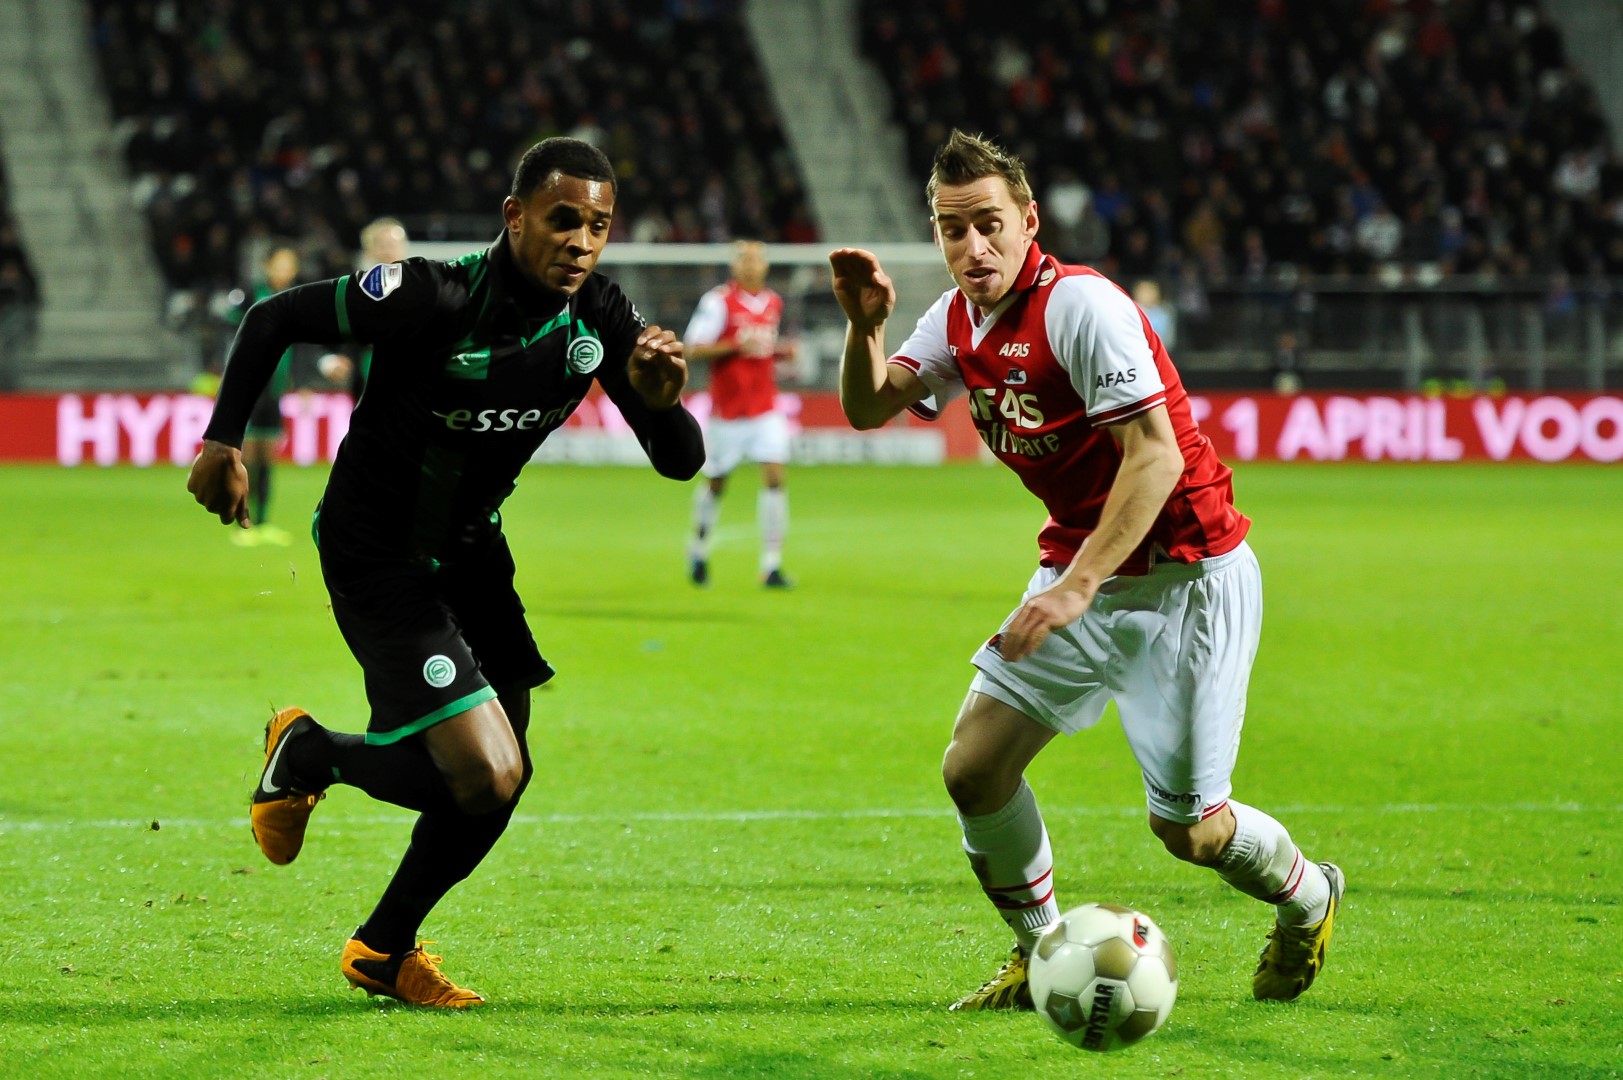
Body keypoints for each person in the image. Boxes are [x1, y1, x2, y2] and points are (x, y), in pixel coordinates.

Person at [829, 130, 1343, 1011]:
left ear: (1028, 221)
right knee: (973, 769)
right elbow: (869, 406)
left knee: (1190, 830)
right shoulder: (953, 319)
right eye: (952, 230)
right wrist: (864, 327)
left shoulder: (1081, 307)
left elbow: (1155, 458)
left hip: (1186, 578)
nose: (972, 247)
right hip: (1083, 568)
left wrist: (1075, 586)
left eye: (988, 224)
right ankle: (1042, 957)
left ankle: (1307, 898)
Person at [187, 138, 703, 1007]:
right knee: (488, 774)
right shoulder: (433, 294)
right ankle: (315, 755)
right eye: (563, 220)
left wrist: (662, 401)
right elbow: (272, 318)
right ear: (515, 216)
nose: (581, 241)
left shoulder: (599, 316)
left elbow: (679, 460)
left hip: (471, 553)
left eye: (598, 226)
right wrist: (222, 440)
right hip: (375, 550)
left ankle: (382, 949)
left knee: (504, 774)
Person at [682, 240, 796, 588]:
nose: (750, 265)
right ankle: (698, 549)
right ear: (734, 266)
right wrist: (735, 345)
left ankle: (771, 565)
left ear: (765, 265)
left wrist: (780, 353)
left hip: (765, 409)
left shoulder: (773, 302)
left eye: (756, 259)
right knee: (716, 483)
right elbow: (693, 348)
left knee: (775, 478)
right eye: (744, 259)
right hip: (728, 412)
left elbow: (761, 350)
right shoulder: (718, 301)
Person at [229, 245, 302, 546]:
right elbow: (230, 330)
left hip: (274, 391)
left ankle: (264, 521)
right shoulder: (250, 295)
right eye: (279, 264)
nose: (284, 271)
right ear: (267, 266)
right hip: (250, 388)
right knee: (247, 459)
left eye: (289, 265)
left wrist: (302, 383)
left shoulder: (297, 299)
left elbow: (302, 347)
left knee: (268, 460)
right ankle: (243, 521)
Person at [318, 217, 410, 402]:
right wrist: (330, 360)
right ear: (368, 250)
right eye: (381, 244)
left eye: (393, 244)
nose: (388, 250)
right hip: (364, 384)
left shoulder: (425, 290)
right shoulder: (348, 290)